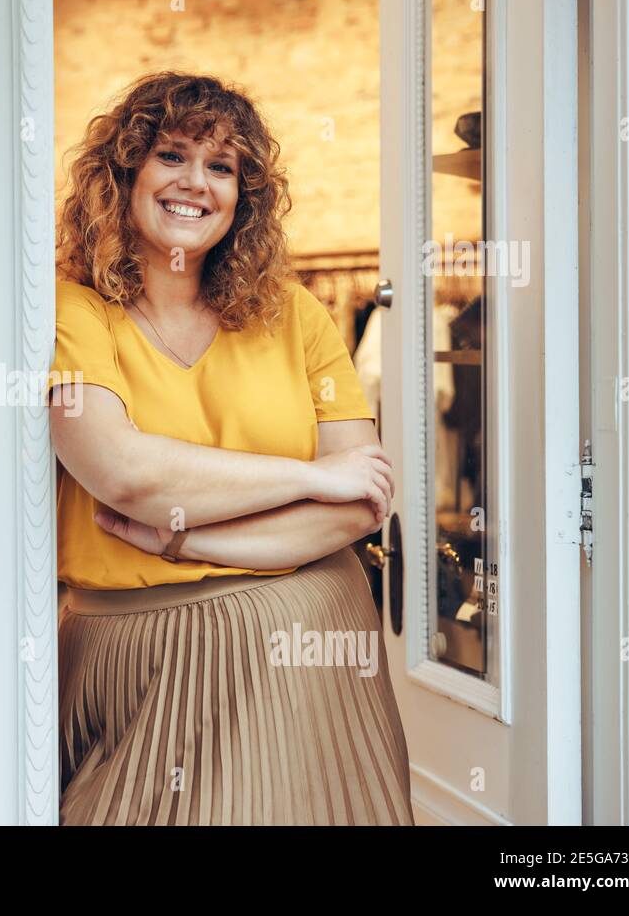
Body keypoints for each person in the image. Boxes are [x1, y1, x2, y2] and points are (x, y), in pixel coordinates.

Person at [46, 72, 414, 825]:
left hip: (313, 651)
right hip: (134, 656)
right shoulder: (69, 307)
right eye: (172, 156)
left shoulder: (297, 314)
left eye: (222, 167)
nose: (196, 183)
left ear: (244, 196)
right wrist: (312, 476)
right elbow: (125, 473)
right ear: (125, 174)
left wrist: (186, 538)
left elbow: (358, 508)